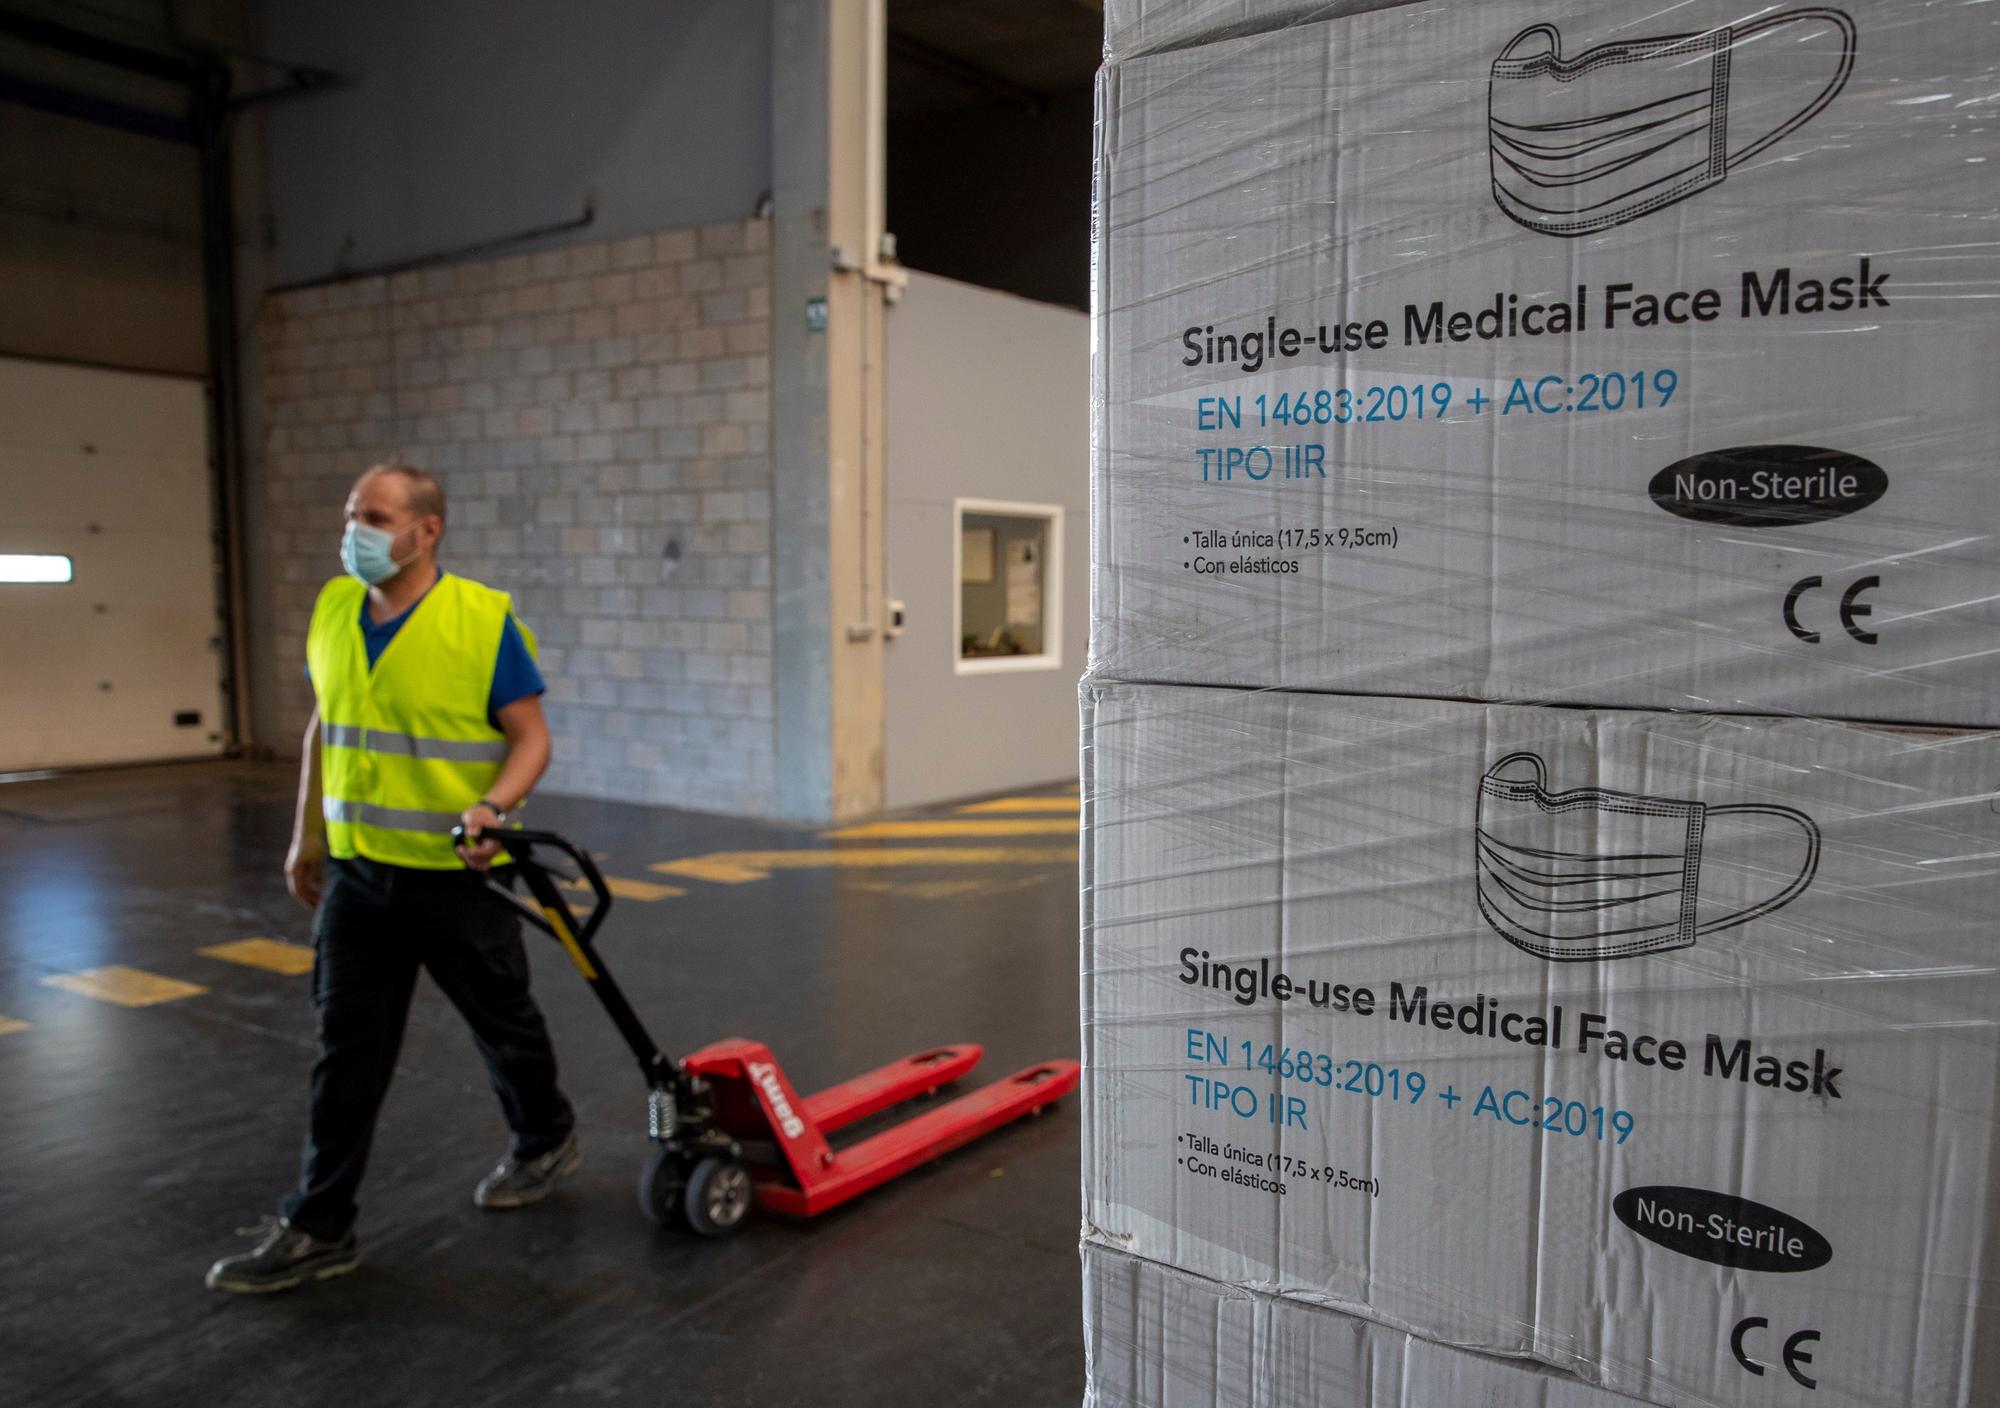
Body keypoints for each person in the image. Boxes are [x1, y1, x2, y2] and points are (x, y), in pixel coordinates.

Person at [207, 463, 579, 1294]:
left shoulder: (481, 620)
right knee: (347, 1051)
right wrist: (307, 834)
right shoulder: (335, 607)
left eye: (373, 516)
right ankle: (320, 1225)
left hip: (456, 876)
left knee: (503, 1023)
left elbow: (532, 739)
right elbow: (326, 725)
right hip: (359, 878)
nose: (354, 531)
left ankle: (545, 1137)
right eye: (350, 514)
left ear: (426, 530)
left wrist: (491, 807)